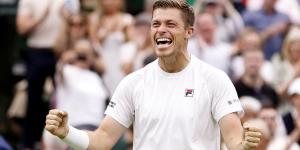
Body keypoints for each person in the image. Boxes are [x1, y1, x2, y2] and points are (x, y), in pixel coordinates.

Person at [45, 0, 262, 149]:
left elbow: (234, 141)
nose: (161, 29)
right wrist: (67, 133)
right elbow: (103, 140)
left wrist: (246, 145)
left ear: (189, 32)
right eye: (156, 24)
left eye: (171, 24)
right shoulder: (133, 83)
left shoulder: (215, 80)